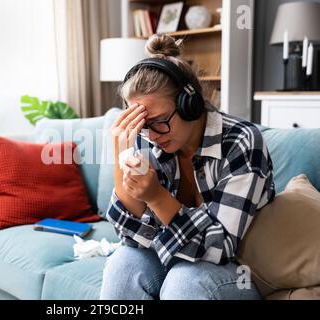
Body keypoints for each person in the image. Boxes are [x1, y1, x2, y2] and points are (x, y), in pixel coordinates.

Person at [100, 34, 275, 300]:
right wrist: (120, 153)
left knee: (185, 281)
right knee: (123, 264)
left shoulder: (243, 141)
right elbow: (132, 237)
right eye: (143, 126)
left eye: (159, 121)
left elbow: (221, 247)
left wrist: (156, 197)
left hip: (237, 271)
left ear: (189, 104)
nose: (154, 135)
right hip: (178, 255)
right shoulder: (150, 138)